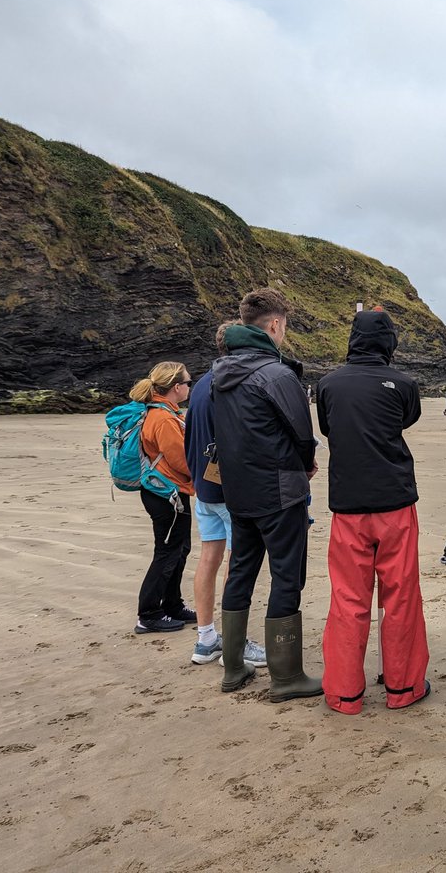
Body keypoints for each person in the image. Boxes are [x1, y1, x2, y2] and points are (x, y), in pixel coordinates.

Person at [316, 308, 431, 714]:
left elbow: (328, 428)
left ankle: (345, 694)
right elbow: (406, 419)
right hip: (394, 501)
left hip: (349, 505)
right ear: (388, 342)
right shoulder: (402, 383)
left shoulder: (328, 384)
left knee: (348, 599)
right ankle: (404, 688)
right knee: (400, 597)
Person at [212, 289, 322, 701]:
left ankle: (234, 667)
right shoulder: (277, 375)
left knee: (241, 569)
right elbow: (302, 433)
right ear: (274, 325)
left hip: (239, 489)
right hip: (278, 489)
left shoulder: (220, 374)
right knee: (286, 576)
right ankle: (285, 675)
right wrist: (307, 463)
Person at [183, 320, 266, 669]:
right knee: (237, 564)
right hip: (230, 491)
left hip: (204, 490)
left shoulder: (200, 385)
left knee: (208, 559)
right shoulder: (227, 383)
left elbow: (190, 439)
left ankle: (206, 639)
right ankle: (235, 641)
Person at [131, 362, 196, 634]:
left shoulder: (164, 412)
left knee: (178, 550)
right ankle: (148, 613)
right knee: (168, 552)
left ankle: (171, 604)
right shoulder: (164, 418)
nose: (190, 386)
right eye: (188, 382)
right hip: (167, 494)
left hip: (168, 491)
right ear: (176, 387)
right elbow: (180, 460)